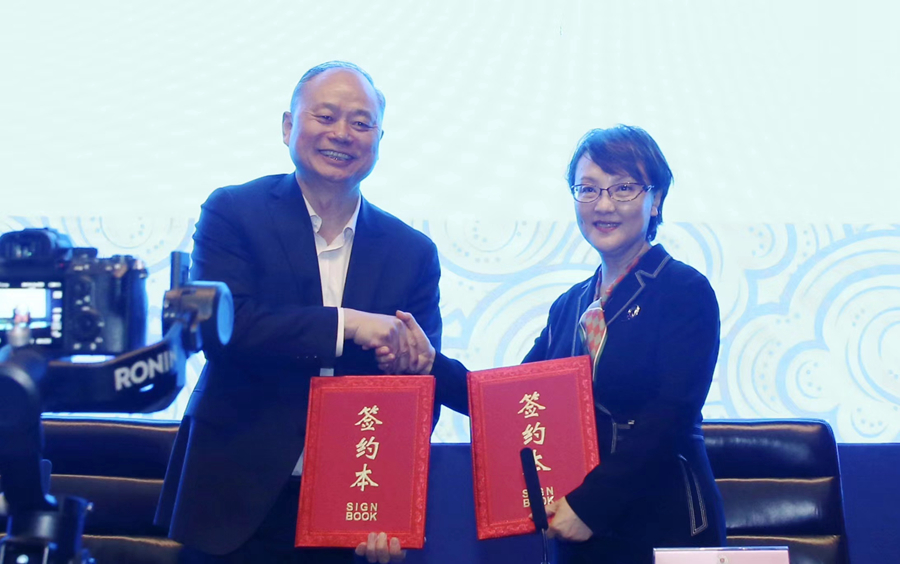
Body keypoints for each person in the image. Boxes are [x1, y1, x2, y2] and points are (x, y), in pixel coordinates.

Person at [155, 61, 466, 564]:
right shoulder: (233, 211)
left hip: (350, 506)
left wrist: (390, 499)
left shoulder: (411, 251)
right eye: (325, 116)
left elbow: (417, 383)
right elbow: (227, 330)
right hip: (234, 501)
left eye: (361, 123)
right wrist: (349, 324)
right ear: (288, 126)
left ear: (379, 139)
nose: (342, 133)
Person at [388, 125, 727, 563]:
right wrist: (429, 363)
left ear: (656, 199)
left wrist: (590, 506)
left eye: (623, 188)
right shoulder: (571, 305)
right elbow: (507, 404)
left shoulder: (685, 290)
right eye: (588, 189)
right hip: (580, 532)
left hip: (664, 527)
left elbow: (670, 416)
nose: (603, 204)